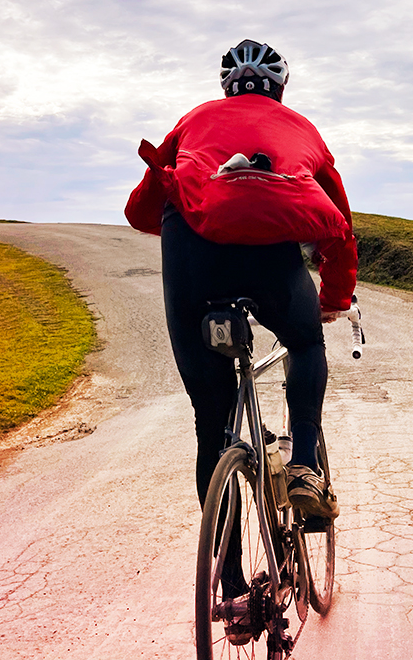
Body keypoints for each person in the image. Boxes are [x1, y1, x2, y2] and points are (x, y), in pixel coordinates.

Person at [125, 39, 357, 521]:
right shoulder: (303, 130)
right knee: (306, 344)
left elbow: (142, 206)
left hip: (192, 255)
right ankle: (304, 469)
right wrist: (333, 297)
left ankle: (227, 583)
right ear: (281, 88)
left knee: (211, 424)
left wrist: (181, 222)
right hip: (270, 256)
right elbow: (339, 224)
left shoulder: (195, 119)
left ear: (226, 88)